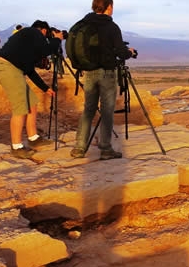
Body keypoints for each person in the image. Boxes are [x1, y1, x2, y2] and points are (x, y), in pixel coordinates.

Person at [70, 0, 136, 160]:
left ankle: (79, 147)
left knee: (89, 109)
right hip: (106, 73)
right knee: (107, 111)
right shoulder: (111, 26)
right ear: (109, 7)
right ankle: (105, 149)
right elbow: (121, 52)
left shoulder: (84, 24)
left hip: (89, 72)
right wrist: (130, 52)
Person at [0, 20, 63, 159]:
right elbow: (46, 50)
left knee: (32, 103)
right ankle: (16, 147)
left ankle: (33, 138)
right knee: (20, 107)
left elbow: (29, 69)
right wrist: (56, 39)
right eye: (46, 34)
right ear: (42, 30)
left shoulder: (26, 41)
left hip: (11, 68)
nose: (46, 37)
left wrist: (45, 88)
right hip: (7, 67)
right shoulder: (33, 32)